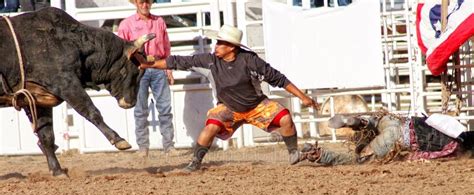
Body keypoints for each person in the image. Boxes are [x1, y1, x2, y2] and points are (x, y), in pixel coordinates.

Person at [140, 24, 320, 172]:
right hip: (228, 107)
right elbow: (178, 61)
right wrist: (149, 63)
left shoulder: (251, 61)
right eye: (217, 42)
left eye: (220, 43)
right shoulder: (209, 61)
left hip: (257, 105)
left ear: (231, 47)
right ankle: (195, 162)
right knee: (210, 127)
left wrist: (303, 97)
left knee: (285, 118)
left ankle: (293, 153)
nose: (215, 46)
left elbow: (278, 79)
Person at [299, 112, 474, 166]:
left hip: (401, 124)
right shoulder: (455, 147)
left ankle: (361, 122)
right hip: (402, 135)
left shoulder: (455, 130)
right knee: (361, 160)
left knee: (376, 124)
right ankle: (322, 155)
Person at [118, 0, 175, 157]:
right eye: (142, 2)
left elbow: (166, 46)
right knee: (140, 110)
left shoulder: (160, 22)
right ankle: (143, 147)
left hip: (157, 65)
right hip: (138, 69)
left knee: (164, 108)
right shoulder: (126, 24)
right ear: (136, 3)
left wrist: (168, 68)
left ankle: (169, 146)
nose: (145, 5)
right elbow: (122, 50)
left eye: (148, 1)